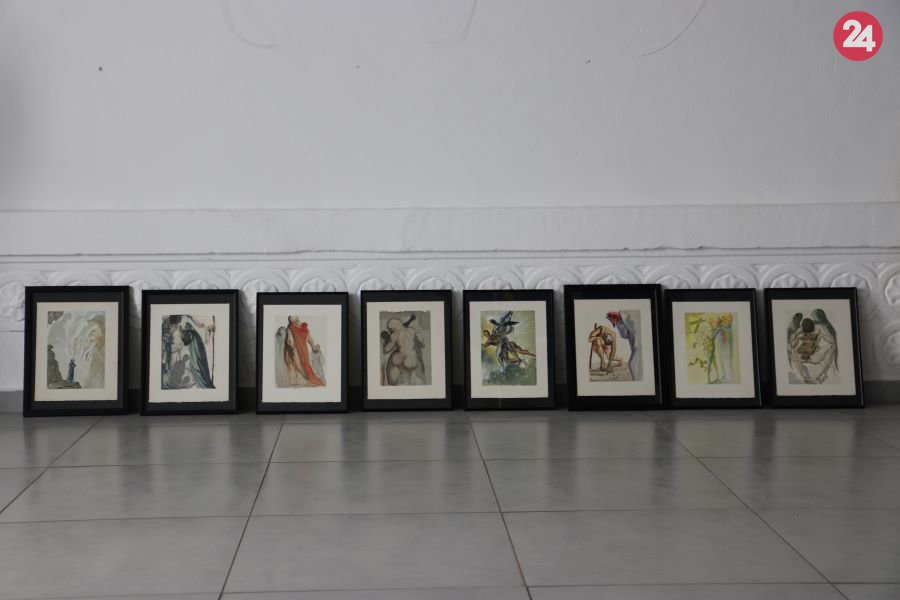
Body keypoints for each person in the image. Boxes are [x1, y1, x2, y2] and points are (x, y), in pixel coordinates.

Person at [284, 317, 325, 386]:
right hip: (296, 351)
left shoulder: (304, 327)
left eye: (297, 319)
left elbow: (310, 338)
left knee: (306, 367)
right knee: (299, 367)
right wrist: (291, 348)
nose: (296, 320)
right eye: (293, 319)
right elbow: (290, 342)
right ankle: (295, 381)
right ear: (290, 320)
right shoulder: (290, 329)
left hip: (304, 350)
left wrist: (313, 346)